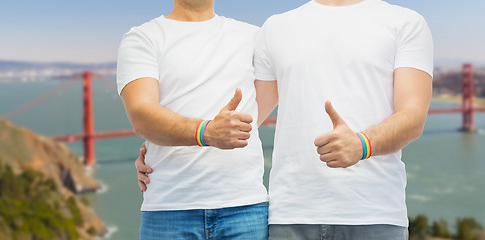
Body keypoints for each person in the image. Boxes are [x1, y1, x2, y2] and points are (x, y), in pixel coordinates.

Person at [138, 0, 432, 239]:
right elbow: (245, 117)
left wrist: (363, 144)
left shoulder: (405, 23)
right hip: (289, 216)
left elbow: (413, 116)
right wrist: (156, 150)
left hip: (375, 215)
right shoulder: (276, 27)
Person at [117, 0, 276, 239]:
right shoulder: (143, 37)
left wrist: (232, 130)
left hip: (245, 206)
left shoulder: (254, 38)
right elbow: (141, 114)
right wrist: (208, 132)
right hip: (169, 210)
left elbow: (266, 98)